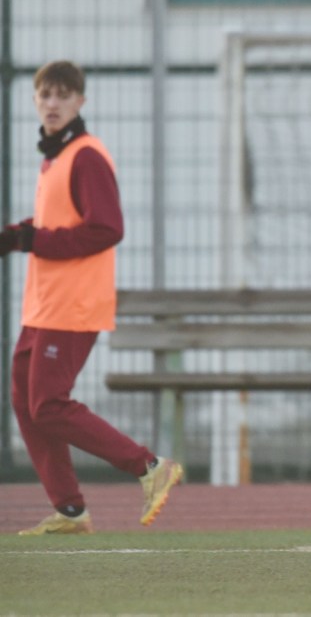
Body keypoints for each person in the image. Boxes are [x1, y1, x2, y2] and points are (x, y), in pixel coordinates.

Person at [0, 60, 183, 535]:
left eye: (64, 95)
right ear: (35, 101)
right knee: (24, 397)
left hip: (73, 304)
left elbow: (107, 228)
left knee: (48, 404)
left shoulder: (86, 155)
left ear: (81, 101)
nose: (53, 103)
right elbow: (55, 225)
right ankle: (70, 511)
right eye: (45, 95)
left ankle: (149, 467)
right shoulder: (54, 157)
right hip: (44, 303)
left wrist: (31, 240)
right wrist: (18, 235)